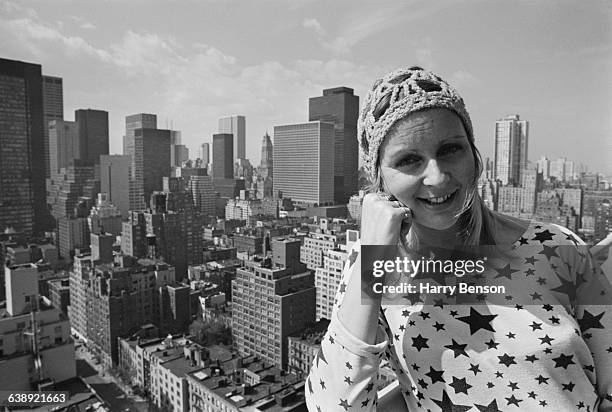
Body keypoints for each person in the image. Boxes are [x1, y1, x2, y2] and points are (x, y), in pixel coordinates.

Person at [305, 66, 612, 411]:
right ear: (379, 181)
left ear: (474, 156)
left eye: (450, 149)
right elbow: (331, 405)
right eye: (408, 160)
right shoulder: (376, 272)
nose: (436, 177)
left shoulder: (558, 246)